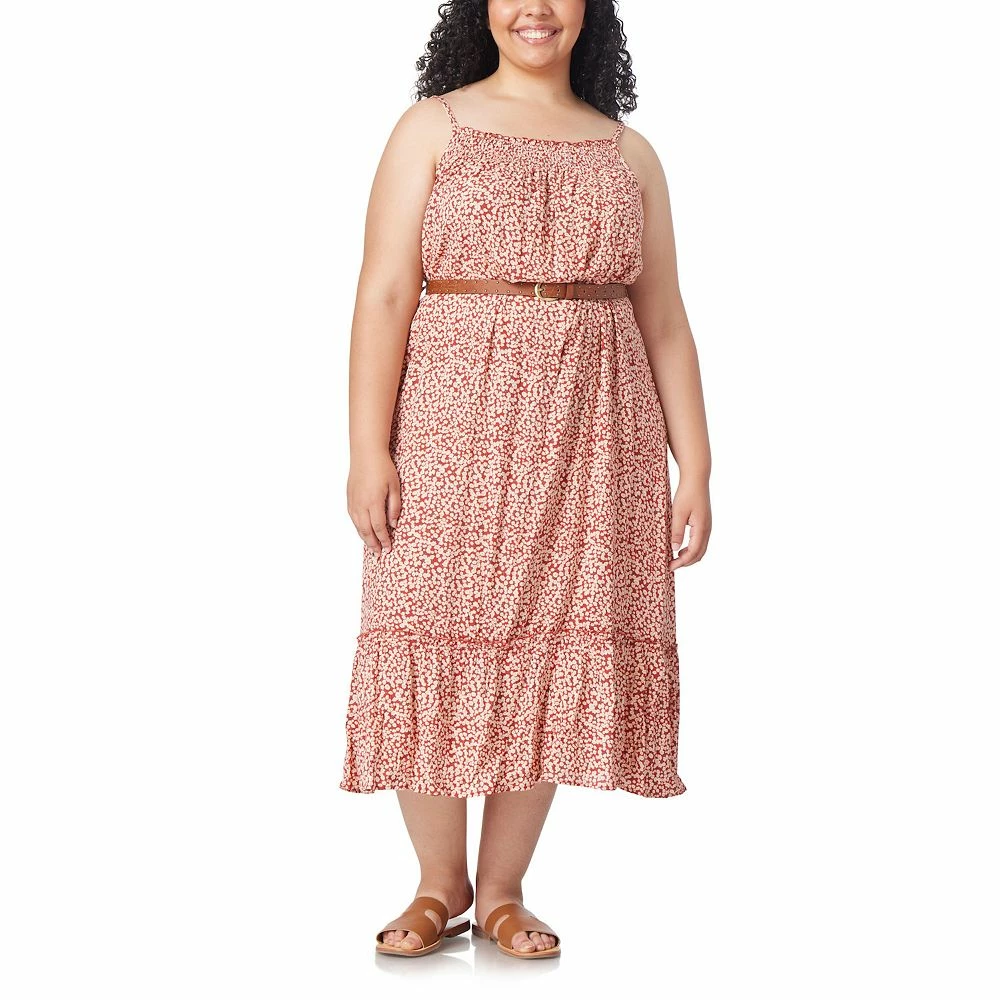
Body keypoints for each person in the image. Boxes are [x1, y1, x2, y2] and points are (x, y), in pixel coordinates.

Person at [341, 0, 712, 960]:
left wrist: (698, 462)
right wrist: (368, 447)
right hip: (450, 422)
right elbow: (386, 290)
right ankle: (439, 883)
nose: (536, 8)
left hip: (596, 430)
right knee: (427, 619)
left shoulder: (629, 154)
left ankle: (504, 891)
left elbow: (665, 317)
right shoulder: (432, 128)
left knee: (550, 639)